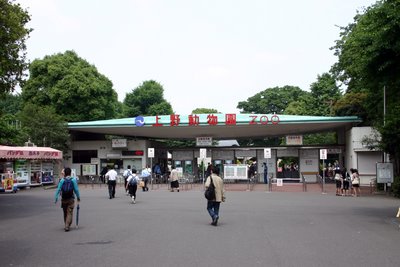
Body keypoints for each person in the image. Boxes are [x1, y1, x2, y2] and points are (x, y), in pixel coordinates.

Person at [54, 167, 80, 232]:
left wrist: (56, 198)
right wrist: (78, 197)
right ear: (70, 173)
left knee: (65, 212)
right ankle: (67, 225)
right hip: (71, 199)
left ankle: (66, 224)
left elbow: (58, 189)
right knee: (70, 212)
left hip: (64, 199)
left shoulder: (62, 180)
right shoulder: (73, 180)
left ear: (64, 173)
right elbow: (76, 190)